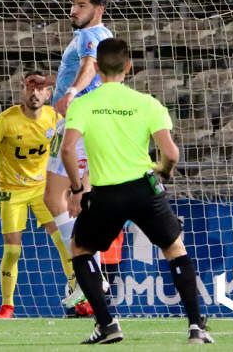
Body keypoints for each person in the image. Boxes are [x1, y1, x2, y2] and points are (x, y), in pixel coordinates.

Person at [61, 38, 213, 345]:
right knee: (174, 248)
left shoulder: (83, 104)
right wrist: (163, 171)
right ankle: (196, 326)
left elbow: (66, 150)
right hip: (145, 189)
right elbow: (171, 153)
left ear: (97, 68)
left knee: (80, 248)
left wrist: (77, 188)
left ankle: (107, 324)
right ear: (129, 67)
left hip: (106, 193)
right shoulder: (147, 103)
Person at [25, 0, 113, 308]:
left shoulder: (94, 34)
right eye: (73, 4)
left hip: (81, 121)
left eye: (81, 5)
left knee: (64, 199)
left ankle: (88, 274)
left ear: (98, 8)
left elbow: (89, 67)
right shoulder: (88, 36)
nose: (73, 10)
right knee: (59, 199)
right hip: (78, 121)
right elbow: (82, 67)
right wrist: (52, 82)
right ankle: (89, 274)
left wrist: (73, 91)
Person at [0, 71, 74, 318]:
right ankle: (7, 305)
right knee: (13, 251)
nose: (34, 92)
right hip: (12, 192)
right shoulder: (5, 120)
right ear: (22, 90)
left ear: (48, 93)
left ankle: (78, 294)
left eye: (40, 88)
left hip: (43, 190)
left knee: (64, 241)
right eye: (30, 87)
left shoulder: (55, 118)